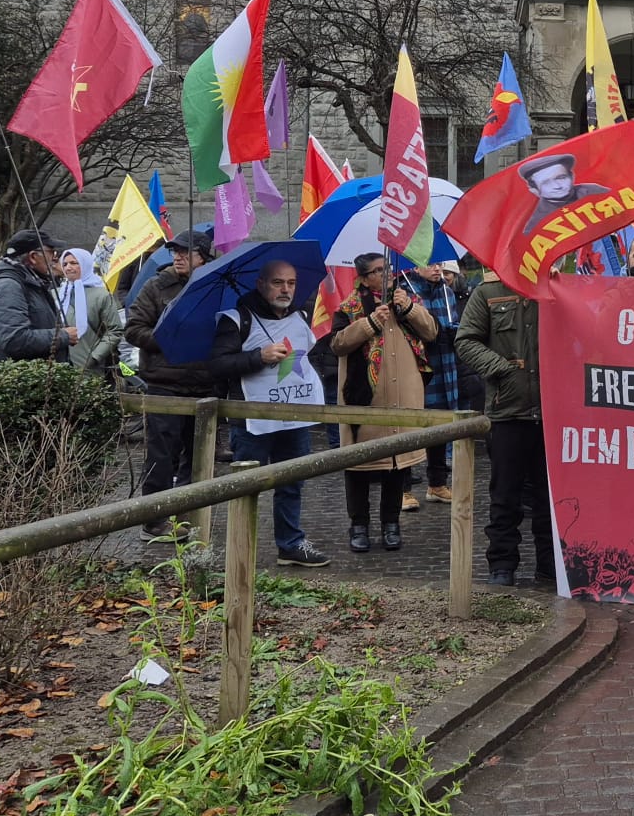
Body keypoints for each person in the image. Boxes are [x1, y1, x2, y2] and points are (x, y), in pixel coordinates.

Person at [210, 258, 331, 568]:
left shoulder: (301, 315)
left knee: (292, 483)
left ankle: (290, 545)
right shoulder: (236, 320)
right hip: (251, 421)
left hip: (294, 416)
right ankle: (240, 550)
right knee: (246, 485)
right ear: (261, 284)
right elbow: (218, 366)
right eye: (278, 282)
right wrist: (258, 356)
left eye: (290, 283)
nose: (285, 289)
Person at [331, 254, 438, 551]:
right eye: (377, 271)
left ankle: (391, 523)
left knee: (396, 463)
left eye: (386, 269)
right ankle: (359, 525)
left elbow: (431, 331)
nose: (385, 274)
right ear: (364, 278)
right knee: (358, 464)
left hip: (403, 399)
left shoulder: (406, 300)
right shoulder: (350, 308)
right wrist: (368, 324)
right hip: (364, 401)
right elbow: (337, 344)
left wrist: (409, 309)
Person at [456, 270, 554, 587]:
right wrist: (501, 370)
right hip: (507, 411)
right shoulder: (487, 292)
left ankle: (551, 563)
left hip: (553, 411)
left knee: (549, 497)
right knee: (504, 495)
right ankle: (502, 563)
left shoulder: (557, 287)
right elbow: (466, 340)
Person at [124, 232, 219, 536]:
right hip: (165, 383)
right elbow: (134, 329)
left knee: (198, 455)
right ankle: (154, 519)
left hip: (204, 382)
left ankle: (188, 512)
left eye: (185, 252)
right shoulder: (156, 286)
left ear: (203, 256)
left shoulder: (214, 287)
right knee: (161, 454)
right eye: (175, 252)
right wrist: (169, 341)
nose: (177, 257)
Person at [403, 260, 473, 505]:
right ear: (415, 266)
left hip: (446, 367)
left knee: (441, 426)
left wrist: (456, 331)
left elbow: (452, 322)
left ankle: (437, 484)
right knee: (409, 429)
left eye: (440, 264)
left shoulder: (446, 290)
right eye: (431, 264)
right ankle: (404, 489)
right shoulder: (405, 290)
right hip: (417, 369)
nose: (437, 269)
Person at [0, 231, 78, 364]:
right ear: (33, 257)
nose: (55, 259)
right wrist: (63, 336)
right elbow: (13, 340)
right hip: (21, 379)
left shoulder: (32, 283)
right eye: (51, 252)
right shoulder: (9, 287)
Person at [58, 248, 126, 381]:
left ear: (85, 264)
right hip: (59, 367)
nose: (68, 267)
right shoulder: (57, 294)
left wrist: (94, 357)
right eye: (65, 264)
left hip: (90, 370)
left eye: (74, 263)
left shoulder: (102, 295)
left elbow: (115, 330)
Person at [518, 153, 610, 234]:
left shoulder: (594, 190)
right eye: (546, 183)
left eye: (561, 178)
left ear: (572, 177)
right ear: (535, 190)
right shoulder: (536, 223)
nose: (557, 186)